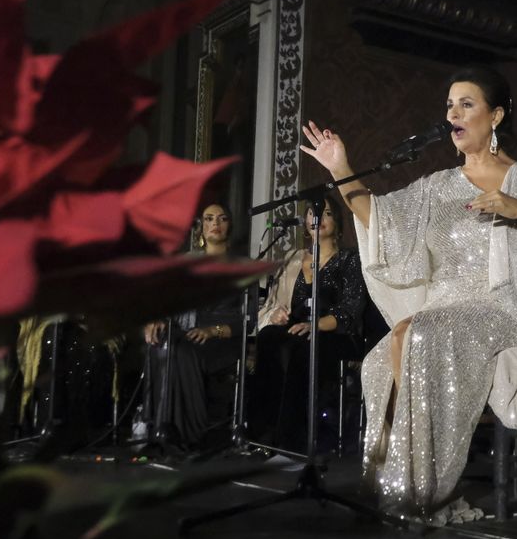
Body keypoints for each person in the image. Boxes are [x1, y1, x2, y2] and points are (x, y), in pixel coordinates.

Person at [299, 67, 517, 524]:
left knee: (417, 337)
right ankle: (406, 484)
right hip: (443, 304)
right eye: (449, 105)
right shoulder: (436, 187)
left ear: (494, 116)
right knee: (384, 357)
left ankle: (425, 489)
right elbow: (379, 219)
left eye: (466, 104)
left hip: (499, 306)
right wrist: (341, 169)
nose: (453, 113)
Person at [253, 191, 367, 450]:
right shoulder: (294, 258)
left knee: (303, 349)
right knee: (268, 337)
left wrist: (315, 325)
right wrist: (277, 315)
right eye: (313, 213)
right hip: (296, 329)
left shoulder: (350, 259)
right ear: (305, 222)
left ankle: (292, 442)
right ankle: (263, 432)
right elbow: (275, 302)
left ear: (337, 222)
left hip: (335, 334)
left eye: (326, 213)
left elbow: (351, 309)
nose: (319, 218)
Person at [141, 203, 241, 449]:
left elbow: (248, 318)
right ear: (201, 227)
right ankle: (157, 429)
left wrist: (212, 331)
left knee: (180, 349)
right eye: (208, 219)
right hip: (183, 334)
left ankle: (188, 436)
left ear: (229, 225)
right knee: (160, 344)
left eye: (221, 218)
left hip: (220, 340)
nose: (215, 224)